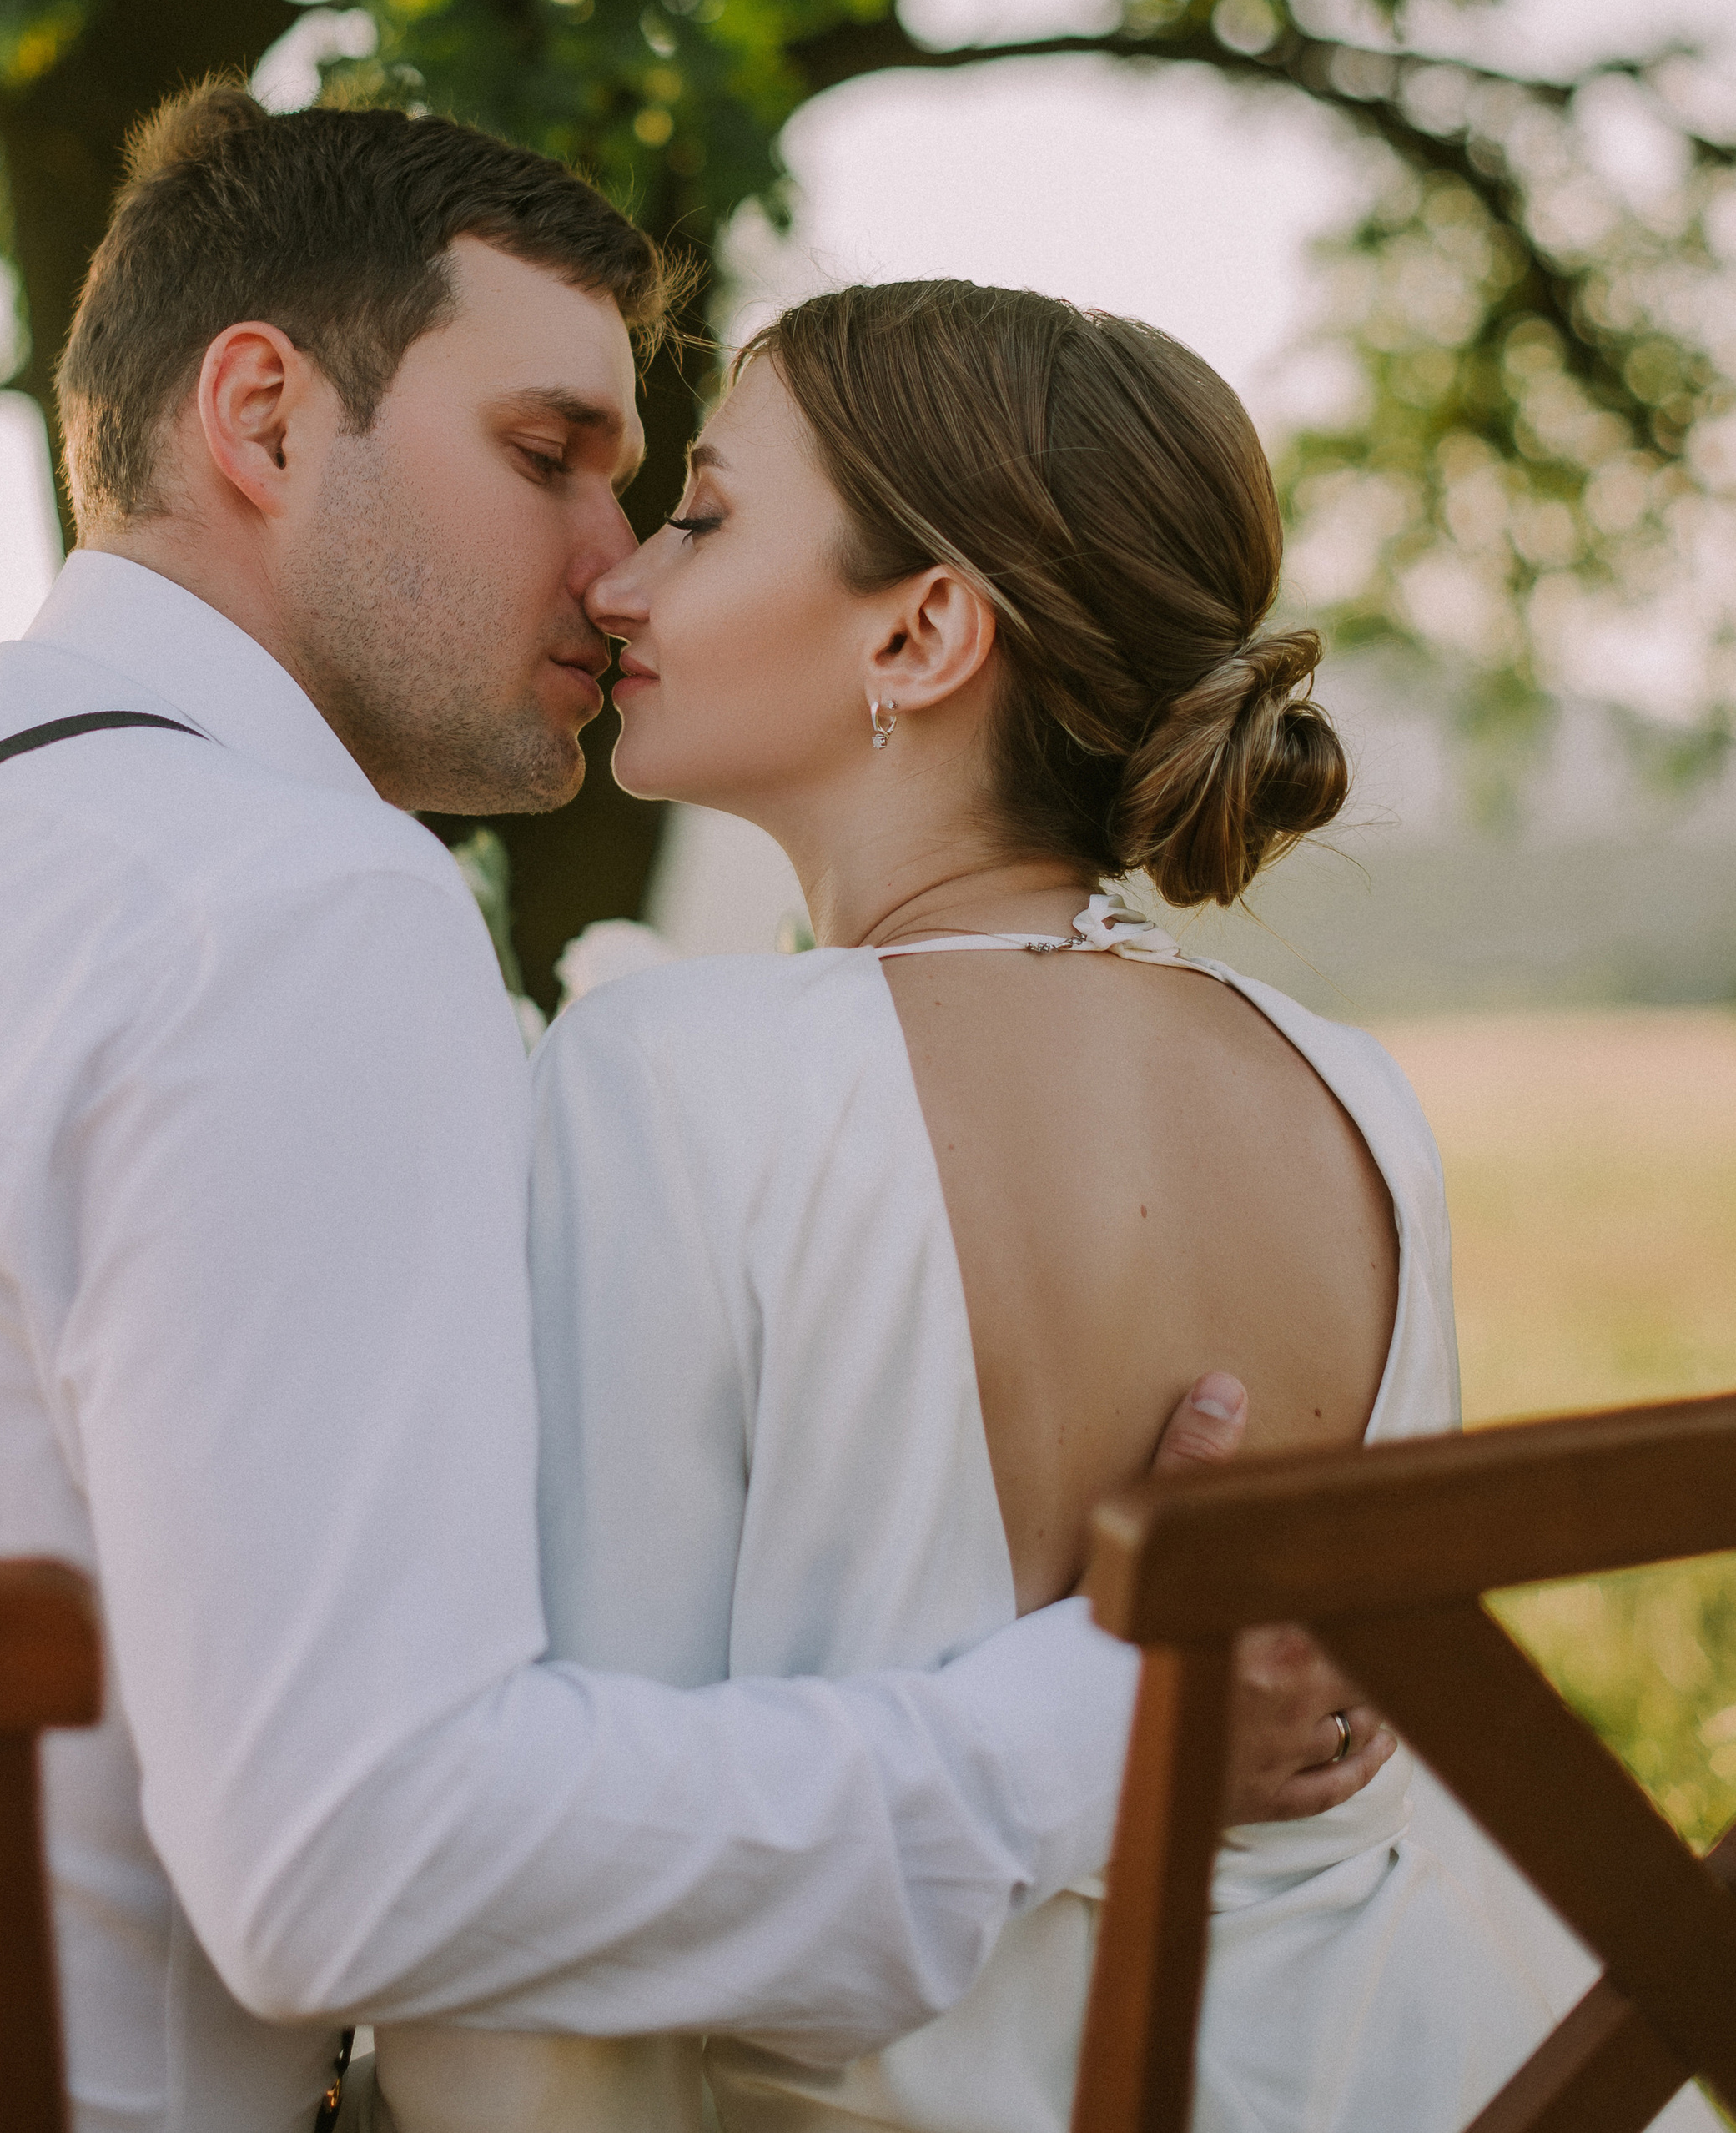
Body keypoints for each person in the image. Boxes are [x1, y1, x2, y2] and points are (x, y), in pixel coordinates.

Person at [0, 98, 1384, 2133]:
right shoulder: (287, 904)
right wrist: (1096, 1725)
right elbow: (359, 1860)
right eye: (547, 457)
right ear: (260, 418)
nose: (614, 566)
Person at [369, 276, 1617, 2133]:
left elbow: (567, 1925)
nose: (620, 578)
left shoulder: (667, 1079)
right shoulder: (1350, 1092)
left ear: (925, 628)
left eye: (702, 514)